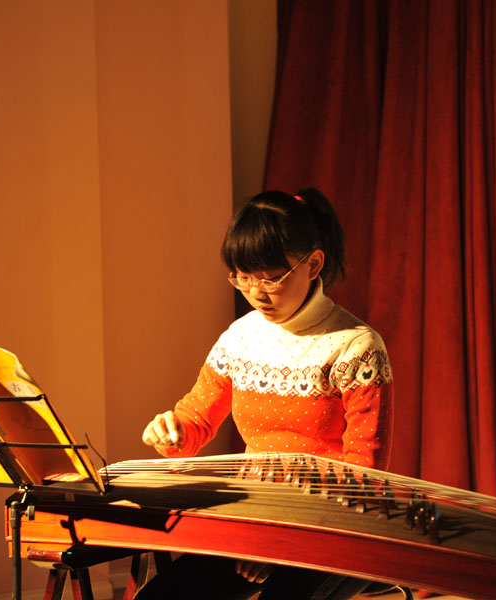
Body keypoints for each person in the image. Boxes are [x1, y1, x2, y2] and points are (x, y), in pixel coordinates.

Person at [137, 188, 394, 599]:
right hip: (254, 517)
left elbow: (363, 475)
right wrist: (172, 430)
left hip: (335, 529)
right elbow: (196, 418)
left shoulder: (356, 346)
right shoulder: (240, 337)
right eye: (243, 277)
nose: (256, 292)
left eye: (270, 277)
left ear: (313, 264)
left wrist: (284, 543)